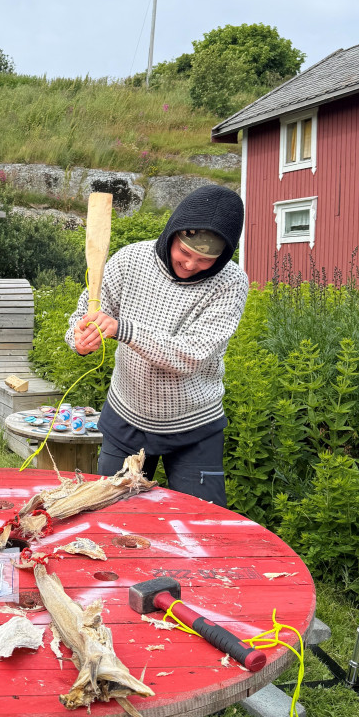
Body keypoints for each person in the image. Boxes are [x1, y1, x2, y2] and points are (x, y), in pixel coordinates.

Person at [66, 185, 248, 506]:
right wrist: (80, 340)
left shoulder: (230, 283)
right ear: (172, 234)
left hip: (195, 426)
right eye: (185, 252)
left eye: (205, 259)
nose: (191, 264)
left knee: (198, 525)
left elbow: (190, 355)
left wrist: (124, 329)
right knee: (112, 518)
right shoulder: (129, 260)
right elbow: (84, 314)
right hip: (126, 419)